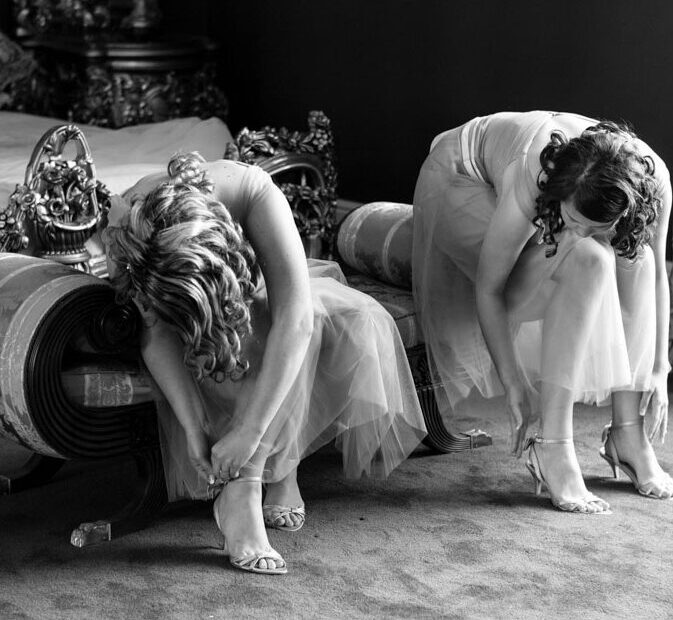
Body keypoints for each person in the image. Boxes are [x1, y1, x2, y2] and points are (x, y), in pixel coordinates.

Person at [102, 153, 426, 574]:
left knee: (311, 322)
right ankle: (252, 486)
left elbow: (297, 316)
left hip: (256, 292)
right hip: (186, 310)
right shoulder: (127, 232)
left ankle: (263, 474)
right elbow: (156, 335)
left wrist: (250, 434)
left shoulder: (250, 189)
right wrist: (193, 425)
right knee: (212, 339)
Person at [412, 111, 673, 514]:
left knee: (636, 257)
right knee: (590, 257)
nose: (582, 231)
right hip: (459, 178)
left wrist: (659, 367)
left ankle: (628, 433)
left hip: (558, 195)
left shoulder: (653, 182)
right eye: (572, 219)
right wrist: (513, 380)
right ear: (559, 196)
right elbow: (493, 289)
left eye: (595, 224)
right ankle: (553, 446)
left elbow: (657, 277)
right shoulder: (537, 173)